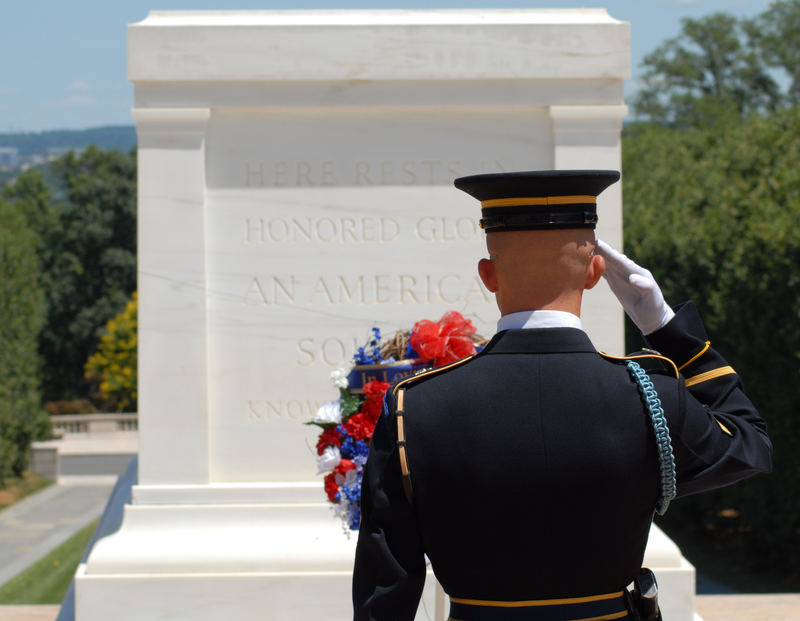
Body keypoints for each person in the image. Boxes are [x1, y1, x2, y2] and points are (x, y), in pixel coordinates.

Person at [352, 170, 772, 621]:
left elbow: (385, 593)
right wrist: (669, 330)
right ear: (595, 274)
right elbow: (750, 445)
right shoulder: (651, 398)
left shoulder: (413, 409)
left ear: (488, 275)